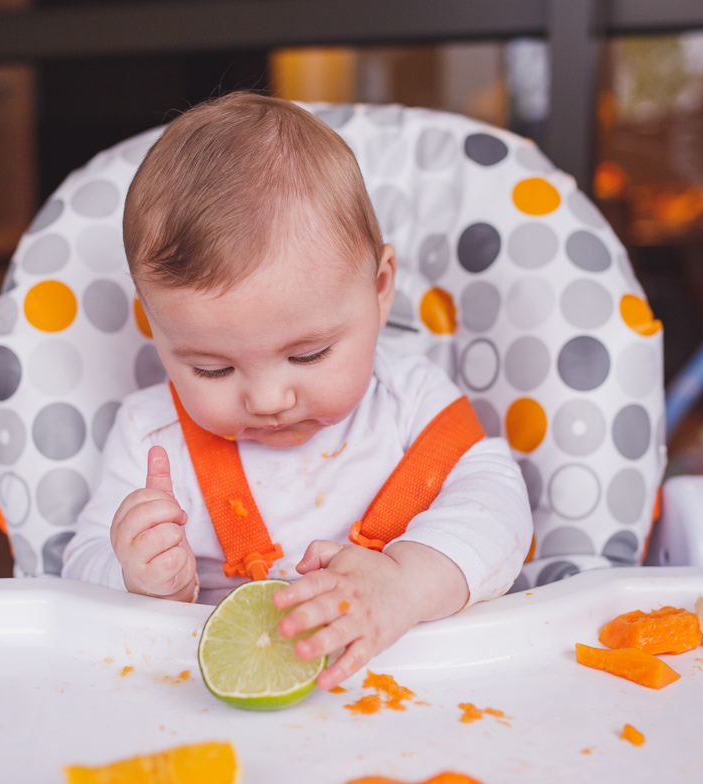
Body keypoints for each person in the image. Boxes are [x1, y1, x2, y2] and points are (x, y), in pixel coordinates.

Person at [63, 92, 532, 689]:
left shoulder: (411, 405)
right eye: (212, 369)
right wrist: (136, 576)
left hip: (405, 688)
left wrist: (409, 583)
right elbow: (78, 569)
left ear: (380, 289)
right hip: (208, 698)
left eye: (307, 355)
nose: (267, 400)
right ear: (156, 330)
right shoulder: (150, 436)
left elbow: (500, 508)